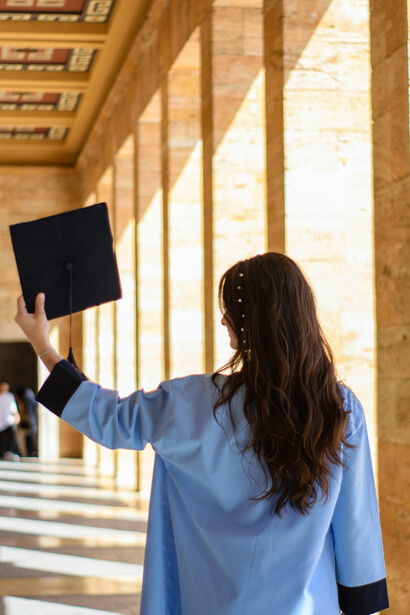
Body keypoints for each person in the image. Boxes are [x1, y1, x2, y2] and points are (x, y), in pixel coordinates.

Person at [15, 252, 388, 615]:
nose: (224, 320)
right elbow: (357, 528)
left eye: (232, 311)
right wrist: (362, 602)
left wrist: (44, 346)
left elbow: (107, 417)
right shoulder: (339, 408)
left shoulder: (188, 403)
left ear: (251, 321)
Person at [0, 380, 21, 461]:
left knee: (10, 439)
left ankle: (10, 453)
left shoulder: (9, 396)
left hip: (8, 422)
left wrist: (16, 416)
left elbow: (13, 408)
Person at [15, 386, 38, 457]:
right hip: (30, 424)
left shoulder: (28, 401)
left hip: (30, 424)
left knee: (31, 439)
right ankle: (28, 453)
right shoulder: (28, 400)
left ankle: (29, 453)